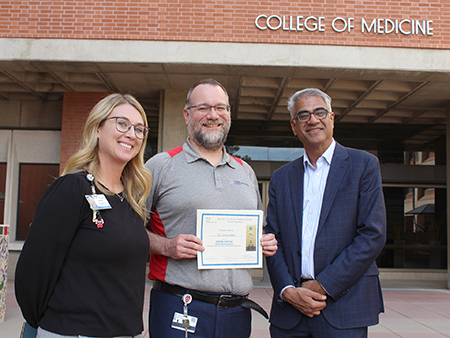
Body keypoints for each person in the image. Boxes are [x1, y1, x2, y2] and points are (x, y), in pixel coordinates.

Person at [145, 78, 278, 338]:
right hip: (179, 307)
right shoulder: (160, 166)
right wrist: (167, 246)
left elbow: (256, 230)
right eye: (203, 108)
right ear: (187, 114)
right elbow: (126, 231)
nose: (213, 115)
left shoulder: (245, 170)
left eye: (221, 108)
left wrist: (264, 243)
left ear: (228, 114)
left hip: (236, 312)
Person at [15, 93, 152, 338]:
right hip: (73, 331)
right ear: (98, 128)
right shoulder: (72, 189)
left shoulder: (131, 199)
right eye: (122, 124)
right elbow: (33, 272)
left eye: (140, 129)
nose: (132, 134)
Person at [265, 88, 386, 338]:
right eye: (303, 115)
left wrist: (322, 285)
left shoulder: (363, 165)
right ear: (294, 126)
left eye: (319, 112)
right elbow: (271, 238)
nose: (312, 119)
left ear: (332, 118)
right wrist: (287, 290)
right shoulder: (281, 177)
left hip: (344, 307)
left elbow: (372, 235)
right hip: (289, 312)